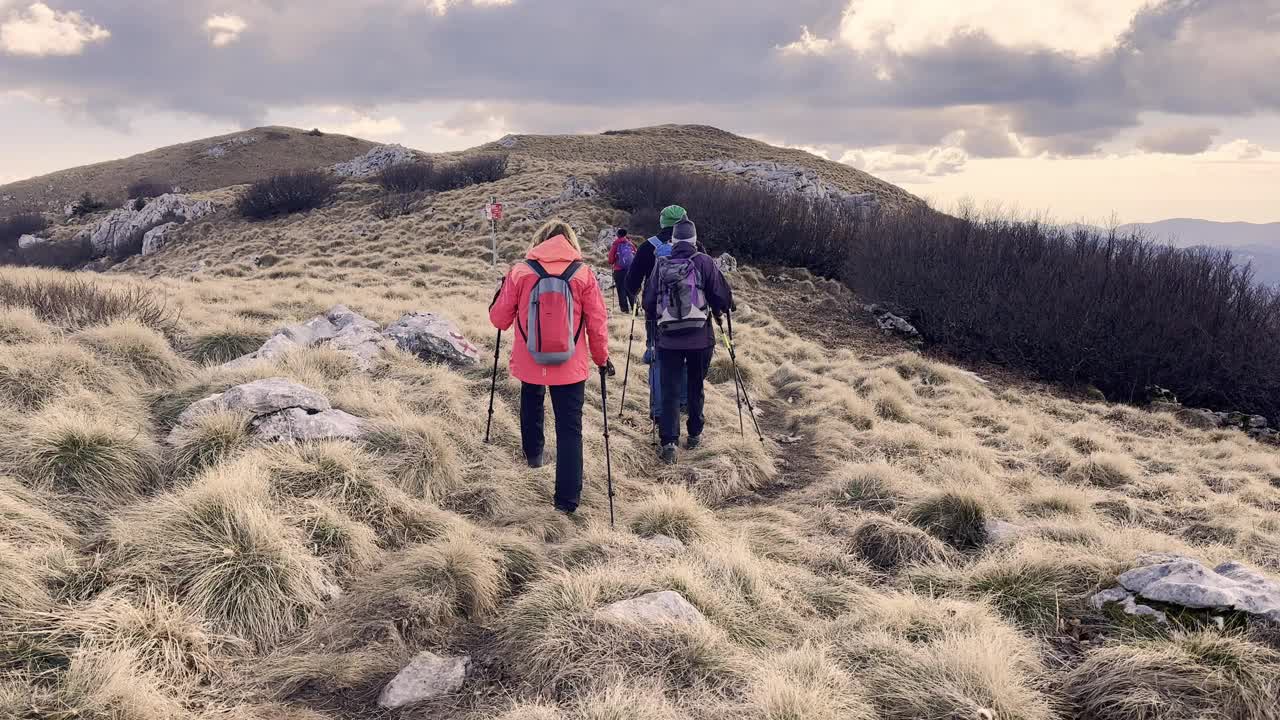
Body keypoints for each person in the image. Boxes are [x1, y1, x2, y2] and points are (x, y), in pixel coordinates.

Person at [489, 219, 612, 513]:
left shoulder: (519, 271)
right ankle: (567, 502)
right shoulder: (583, 274)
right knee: (570, 428)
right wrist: (601, 359)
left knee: (531, 401)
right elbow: (597, 325)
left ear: (539, 240)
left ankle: (534, 456)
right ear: (571, 242)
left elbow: (499, 320)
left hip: (530, 360)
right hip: (570, 365)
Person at [643, 218, 733, 464]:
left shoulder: (661, 264)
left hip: (668, 340)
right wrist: (721, 309)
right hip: (700, 339)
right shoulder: (704, 262)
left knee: (670, 389)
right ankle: (694, 433)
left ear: (673, 241)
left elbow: (648, 303)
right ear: (694, 240)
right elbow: (721, 296)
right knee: (695, 385)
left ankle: (669, 442)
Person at [606, 228, 637, 314]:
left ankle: (624, 310)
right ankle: (635, 310)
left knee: (621, 290)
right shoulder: (630, 244)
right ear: (626, 234)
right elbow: (636, 255)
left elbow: (610, 260)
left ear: (618, 235)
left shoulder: (616, 244)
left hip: (619, 271)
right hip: (631, 270)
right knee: (631, 289)